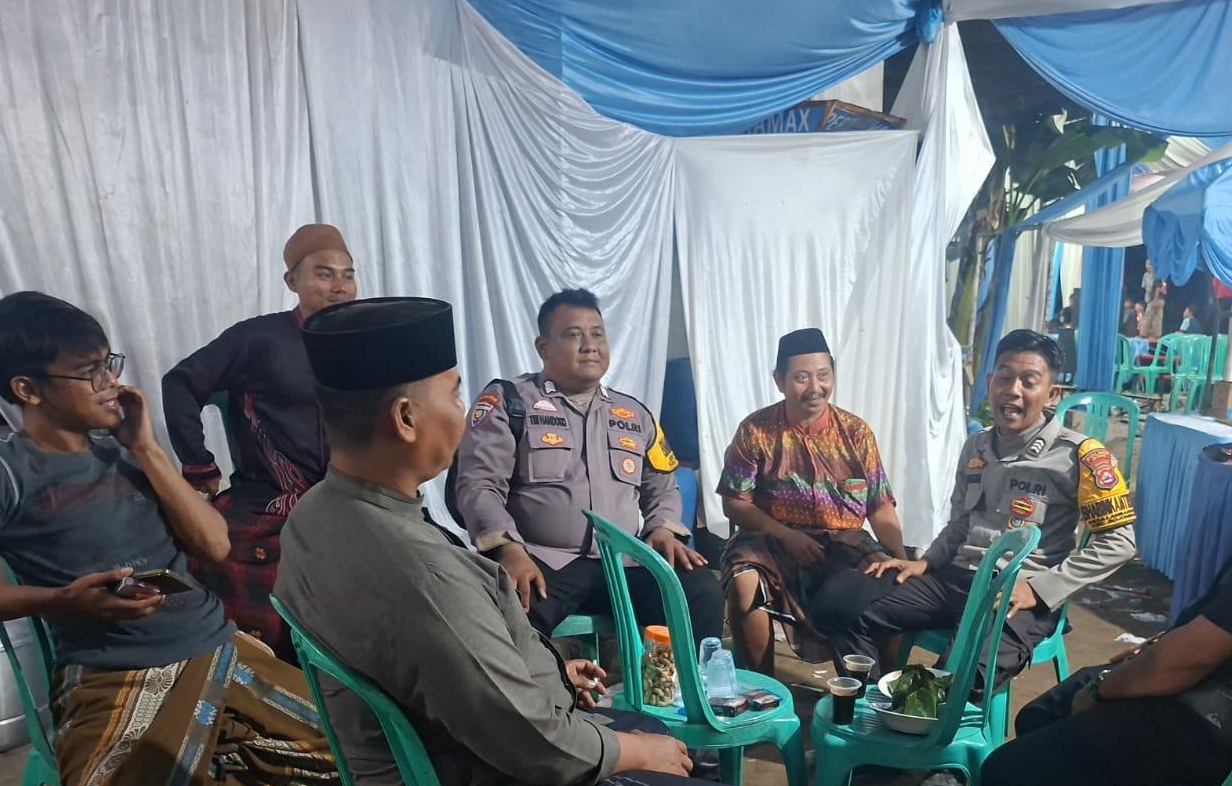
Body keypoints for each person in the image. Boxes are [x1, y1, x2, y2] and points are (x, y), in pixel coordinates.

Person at [276, 297, 710, 786]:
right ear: (406, 418)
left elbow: (454, 661)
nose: (461, 411)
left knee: (690, 608)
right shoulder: (428, 575)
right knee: (667, 756)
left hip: (459, 730)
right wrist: (632, 750)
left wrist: (546, 675)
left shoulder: (313, 514)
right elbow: (533, 744)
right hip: (481, 763)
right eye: (454, 393)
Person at [982, 341, 1232, 786]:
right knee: (1045, 711)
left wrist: (1103, 689)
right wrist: (1162, 646)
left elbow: (1186, 663)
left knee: (1006, 767)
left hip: (1206, 732)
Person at [0, 292, 334, 785]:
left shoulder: (125, 453)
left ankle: (213, 750)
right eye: (90, 372)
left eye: (109, 364)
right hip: (115, 672)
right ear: (27, 389)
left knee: (365, 751)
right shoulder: (0, 472)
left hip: (217, 647)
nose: (110, 383)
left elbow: (215, 546)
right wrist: (60, 600)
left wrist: (145, 446)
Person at [831, 330, 1137, 690]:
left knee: (952, 683)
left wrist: (1041, 589)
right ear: (991, 381)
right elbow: (960, 523)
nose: (1013, 390)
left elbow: (1120, 543)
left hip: (1016, 592)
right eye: (1004, 378)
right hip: (955, 580)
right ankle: (869, 706)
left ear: (1052, 393)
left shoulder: (1079, 456)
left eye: (1029, 382)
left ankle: (920, 713)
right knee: (844, 610)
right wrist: (926, 562)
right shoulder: (975, 446)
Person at [453, 289, 723, 641]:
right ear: (543, 347)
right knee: (507, 615)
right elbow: (479, 485)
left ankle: (689, 679)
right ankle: (551, 678)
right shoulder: (510, 402)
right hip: (543, 560)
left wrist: (663, 530)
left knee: (700, 591)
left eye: (597, 334)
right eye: (574, 335)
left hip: (626, 562)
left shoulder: (634, 414)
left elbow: (662, 486)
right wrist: (509, 549)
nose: (590, 346)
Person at [161, 223, 356, 656]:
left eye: (348, 275)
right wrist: (198, 464)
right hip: (269, 502)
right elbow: (180, 383)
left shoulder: (364, 342)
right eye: (324, 274)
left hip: (348, 499)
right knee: (226, 574)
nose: (340, 287)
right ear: (292, 281)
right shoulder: (258, 338)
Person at [717, 328, 905, 674]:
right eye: (801, 377)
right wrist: (785, 535)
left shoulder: (856, 433)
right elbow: (734, 502)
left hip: (845, 543)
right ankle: (763, 690)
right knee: (745, 582)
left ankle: (873, 693)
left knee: (892, 587)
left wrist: (900, 560)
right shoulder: (756, 430)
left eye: (823, 375)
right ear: (779, 381)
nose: (815, 387)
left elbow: (879, 506)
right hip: (770, 539)